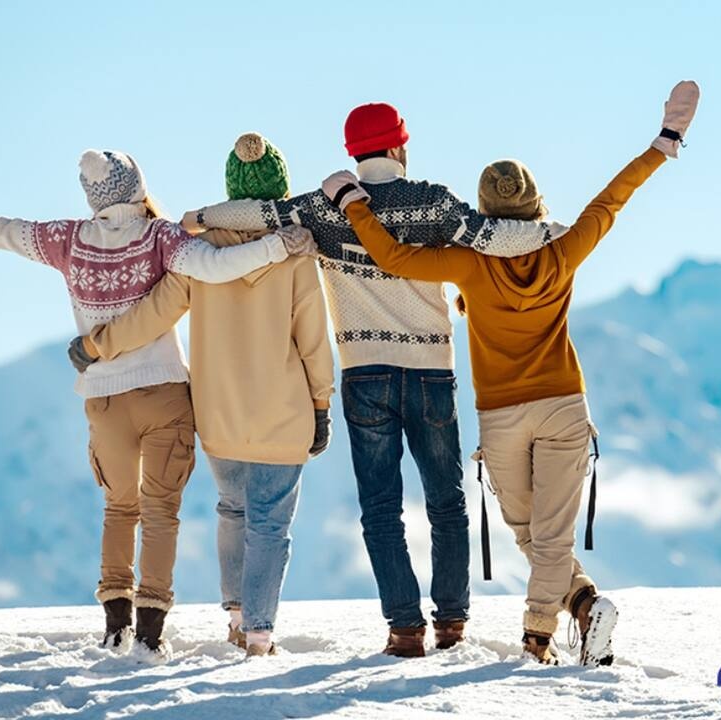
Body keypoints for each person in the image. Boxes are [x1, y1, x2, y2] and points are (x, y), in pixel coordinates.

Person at [0, 150, 315, 658]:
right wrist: (278, 247)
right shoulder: (161, 237)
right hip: (164, 392)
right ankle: (150, 634)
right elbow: (217, 265)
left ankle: (115, 625)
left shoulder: (67, 240)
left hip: (103, 399)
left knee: (119, 509)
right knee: (161, 513)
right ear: (137, 184)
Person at [319, 81, 700, 665]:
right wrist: (664, 142)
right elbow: (611, 200)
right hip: (564, 408)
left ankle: (538, 637)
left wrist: (351, 203)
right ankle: (585, 606)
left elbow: (392, 257)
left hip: (500, 418)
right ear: (536, 207)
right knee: (540, 536)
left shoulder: (469, 264)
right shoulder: (563, 250)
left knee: (533, 534)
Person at [181, 106, 570, 656]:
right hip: (432, 371)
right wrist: (555, 232)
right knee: (446, 502)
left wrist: (198, 216)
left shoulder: (321, 209)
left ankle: (404, 629)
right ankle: (452, 623)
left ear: (354, 154)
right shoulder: (432, 200)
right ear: (399, 148)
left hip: (364, 373)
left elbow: (257, 212)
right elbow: (495, 237)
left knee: (381, 507)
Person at [70, 134, 334, 658]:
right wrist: (322, 404)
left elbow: (153, 315)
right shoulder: (296, 254)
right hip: (283, 414)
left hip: (216, 415)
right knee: (270, 523)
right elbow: (313, 341)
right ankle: (259, 635)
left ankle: (237, 621)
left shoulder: (200, 252)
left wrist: (97, 344)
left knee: (232, 511)